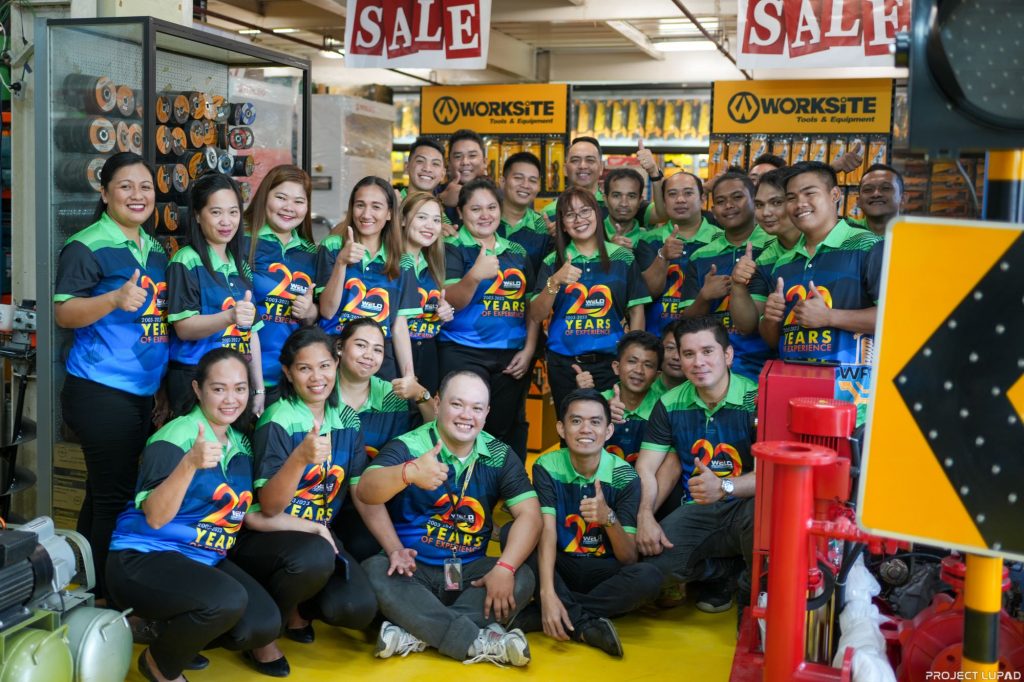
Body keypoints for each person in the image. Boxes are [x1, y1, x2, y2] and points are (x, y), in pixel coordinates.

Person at [106, 348, 279, 682]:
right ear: (198, 389)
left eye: (239, 388)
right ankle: (159, 665)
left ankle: (163, 627)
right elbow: (155, 518)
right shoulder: (175, 436)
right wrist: (189, 464)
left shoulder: (240, 441)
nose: (230, 399)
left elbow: (248, 511)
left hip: (203, 556)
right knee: (227, 600)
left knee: (261, 625)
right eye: (219, 389)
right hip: (142, 557)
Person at [358, 371, 542, 667]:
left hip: (468, 575)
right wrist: (409, 472)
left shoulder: (499, 455)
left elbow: (530, 515)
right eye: (457, 404)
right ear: (438, 403)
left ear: (487, 413)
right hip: (412, 570)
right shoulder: (410, 445)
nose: (467, 416)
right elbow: (366, 491)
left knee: (521, 575)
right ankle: (477, 639)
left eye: (476, 408)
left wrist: (505, 568)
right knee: (374, 570)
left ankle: (416, 631)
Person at [230, 327, 381, 675]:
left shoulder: (346, 419)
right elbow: (269, 507)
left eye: (325, 366)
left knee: (357, 608)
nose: (317, 377)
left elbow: (360, 494)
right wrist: (300, 458)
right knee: (313, 557)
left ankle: (297, 607)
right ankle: (267, 633)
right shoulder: (277, 419)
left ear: (337, 364)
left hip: (317, 534)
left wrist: (396, 548)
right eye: (304, 368)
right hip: (269, 533)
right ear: (287, 372)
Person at [55, 152, 170, 600]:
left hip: (140, 391)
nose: (137, 195)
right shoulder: (86, 245)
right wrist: (113, 299)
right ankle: (108, 599)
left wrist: (159, 387)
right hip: (101, 389)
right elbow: (64, 313)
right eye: (125, 186)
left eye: (145, 187)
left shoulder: (154, 248)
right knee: (115, 497)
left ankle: (86, 586)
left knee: (103, 491)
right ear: (105, 193)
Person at [511, 389, 662, 657]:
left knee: (649, 577)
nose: (585, 429)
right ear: (561, 428)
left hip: (603, 570)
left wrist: (608, 519)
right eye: (576, 421)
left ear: (608, 430)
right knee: (514, 532)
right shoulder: (546, 466)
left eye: (595, 422)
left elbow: (628, 557)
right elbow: (546, 530)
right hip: (561, 566)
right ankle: (582, 623)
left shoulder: (625, 476)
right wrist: (547, 591)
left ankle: (547, 613)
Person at [635, 317, 757, 614]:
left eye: (707, 351)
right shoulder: (669, 403)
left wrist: (725, 486)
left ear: (728, 355)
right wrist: (644, 515)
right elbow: (646, 468)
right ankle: (723, 571)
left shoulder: (756, 399)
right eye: (688, 354)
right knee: (653, 567)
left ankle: (752, 588)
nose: (698, 362)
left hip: (746, 504)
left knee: (764, 516)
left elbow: (774, 474)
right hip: (698, 509)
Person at [439, 178, 539, 458]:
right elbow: (450, 300)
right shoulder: (451, 247)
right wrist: (474, 275)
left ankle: (504, 484)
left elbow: (530, 307)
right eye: (475, 209)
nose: (485, 215)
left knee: (505, 430)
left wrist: (529, 350)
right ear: (460, 213)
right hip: (462, 350)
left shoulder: (517, 252)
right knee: (461, 428)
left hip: (510, 356)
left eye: (491, 207)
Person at [531, 188, 650, 419]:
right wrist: (555, 281)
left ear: (597, 214)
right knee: (570, 429)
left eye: (585, 211)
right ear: (562, 224)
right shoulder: (552, 261)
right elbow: (537, 315)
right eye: (570, 214)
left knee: (612, 427)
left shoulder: (622, 257)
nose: (579, 219)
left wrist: (632, 359)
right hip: (564, 364)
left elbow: (636, 311)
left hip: (612, 363)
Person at [759, 161, 883, 365]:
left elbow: (895, 318)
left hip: (849, 383)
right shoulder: (783, 263)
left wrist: (829, 317)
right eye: (791, 198)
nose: (800, 204)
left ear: (835, 195)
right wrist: (770, 319)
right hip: (792, 380)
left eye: (809, 193)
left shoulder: (868, 245)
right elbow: (772, 341)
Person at [331, 317, 434, 561]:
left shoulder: (392, 396)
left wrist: (420, 393)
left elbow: (434, 433)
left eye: (377, 350)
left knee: (363, 545)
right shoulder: (320, 389)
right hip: (321, 496)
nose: (369, 355)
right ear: (340, 347)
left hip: (369, 500)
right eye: (361, 345)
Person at [166, 173, 265, 417]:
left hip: (236, 377)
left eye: (233, 212)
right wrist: (229, 316)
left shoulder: (240, 265)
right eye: (216, 212)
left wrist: (258, 388)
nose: (226, 221)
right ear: (198, 216)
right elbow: (184, 327)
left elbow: (251, 332)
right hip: (195, 377)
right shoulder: (186, 260)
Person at [316, 175, 420, 380]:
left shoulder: (403, 261)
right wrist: (341, 263)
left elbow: (399, 325)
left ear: (389, 213)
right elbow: (327, 311)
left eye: (376, 207)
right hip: (335, 350)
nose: (366, 214)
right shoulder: (332, 246)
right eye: (360, 205)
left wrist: (409, 376)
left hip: (379, 356)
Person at [679, 172, 774, 381]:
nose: (729, 205)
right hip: (710, 369)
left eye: (737, 197)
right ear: (713, 210)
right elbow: (687, 322)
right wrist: (704, 296)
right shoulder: (701, 256)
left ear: (754, 201)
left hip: (763, 366)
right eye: (721, 201)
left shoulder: (774, 246)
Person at [243, 165, 318, 404]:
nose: (289, 207)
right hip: (241, 374)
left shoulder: (312, 253)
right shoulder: (242, 242)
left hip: (292, 378)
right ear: (265, 196)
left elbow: (319, 315)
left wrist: (309, 311)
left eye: (299, 201)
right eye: (281, 197)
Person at [636, 172, 722, 338]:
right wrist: (662, 256)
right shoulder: (648, 239)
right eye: (672, 194)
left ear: (703, 198)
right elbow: (646, 293)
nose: (680, 200)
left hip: (707, 338)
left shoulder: (720, 240)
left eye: (688, 193)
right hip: (657, 340)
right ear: (664, 201)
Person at [731, 169, 801, 337]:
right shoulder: (764, 260)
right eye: (759, 205)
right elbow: (747, 326)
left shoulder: (834, 243)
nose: (765, 213)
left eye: (776, 202)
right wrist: (737, 285)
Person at [399, 192, 455, 395]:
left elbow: (427, 317)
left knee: (425, 410)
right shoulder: (390, 261)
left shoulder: (432, 264)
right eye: (422, 217)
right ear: (403, 220)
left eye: (436, 220)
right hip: (397, 352)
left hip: (429, 352)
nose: (430, 226)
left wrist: (443, 313)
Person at [498, 151, 551, 275]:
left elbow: (548, 278)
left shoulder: (544, 228)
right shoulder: (485, 221)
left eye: (532, 180)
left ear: (538, 187)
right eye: (518, 178)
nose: (525, 185)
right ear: (502, 182)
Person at [542, 137, 609, 226]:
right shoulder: (549, 213)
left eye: (590, 160)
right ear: (565, 169)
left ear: (601, 168)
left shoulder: (612, 207)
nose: (583, 166)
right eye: (575, 160)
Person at [439, 129, 489, 228]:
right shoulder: (436, 192)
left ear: (485, 162)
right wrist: (441, 199)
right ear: (448, 163)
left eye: (472, 156)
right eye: (458, 156)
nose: (465, 162)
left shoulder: (496, 195)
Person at [854, 163, 904, 237]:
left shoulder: (916, 236)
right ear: (858, 201)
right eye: (868, 189)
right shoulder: (846, 232)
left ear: (903, 198)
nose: (876, 194)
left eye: (885, 188)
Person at [603, 168, 647, 249]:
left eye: (631, 196)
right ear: (605, 200)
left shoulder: (650, 239)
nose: (624, 204)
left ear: (640, 201)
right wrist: (611, 250)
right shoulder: (591, 234)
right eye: (616, 196)